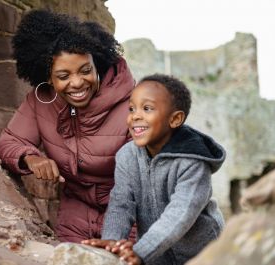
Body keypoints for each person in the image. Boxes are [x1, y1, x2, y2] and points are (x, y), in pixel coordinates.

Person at [0, 9, 134, 242]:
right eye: (63, 76)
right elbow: (9, 142)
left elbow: (148, 175)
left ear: (96, 65)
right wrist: (31, 158)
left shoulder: (135, 105)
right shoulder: (40, 101)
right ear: (49, 77)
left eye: (85, 70)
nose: (77, 82)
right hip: (75, 212)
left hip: (129, 212)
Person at [82, 74, 226, 265]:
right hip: (158, 257)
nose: (135, 116)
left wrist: (141, 252)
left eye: (147, 108)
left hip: (204, 254)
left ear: (175, 119)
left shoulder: (193, 162)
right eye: (131, 109)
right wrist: (112, 243)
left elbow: (180, 214)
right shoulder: (126, 156)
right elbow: (121, 204)